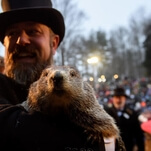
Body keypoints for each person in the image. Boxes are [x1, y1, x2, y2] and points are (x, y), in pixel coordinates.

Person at [0, 0, 126, 151]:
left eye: (33, 31)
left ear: (54, 43)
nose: (22, 40)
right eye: (12, 33)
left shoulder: (100, 109)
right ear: (4, 44)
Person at [104, 87, 145, 151]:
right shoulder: (106, 113)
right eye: (116, 97)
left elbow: (138, 134)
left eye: (120, 98)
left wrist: (140, 147)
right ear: (113, 99)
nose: (118, 100)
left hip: (128, 146)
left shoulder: (132, 114)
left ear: (125, 99)